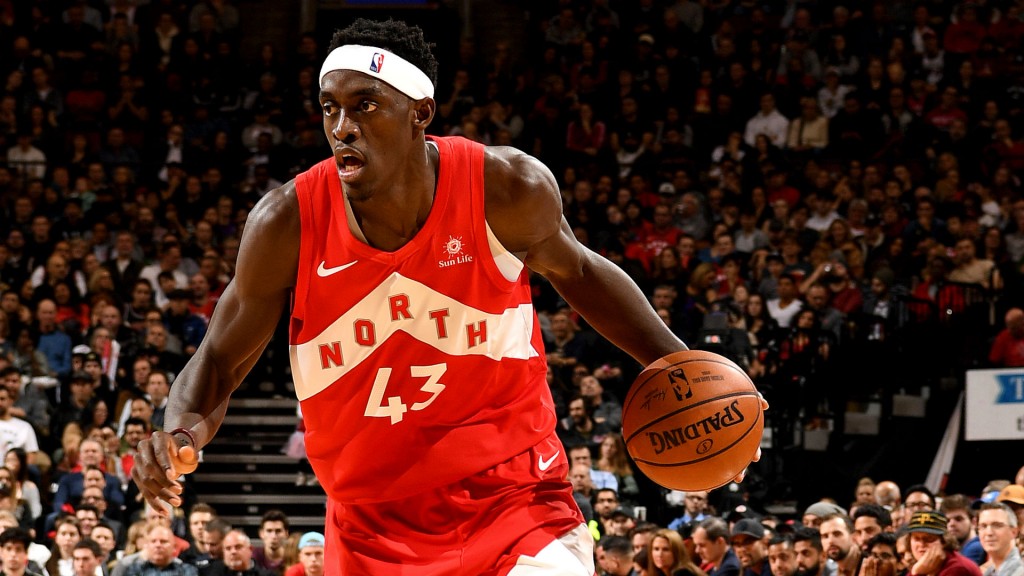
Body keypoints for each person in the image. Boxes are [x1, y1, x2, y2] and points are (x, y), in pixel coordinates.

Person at [132, 18, 763, 575]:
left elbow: (581, 274)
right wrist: (180, 431)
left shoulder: (505, 185)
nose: (343, 126)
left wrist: (690, 374)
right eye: (329, 108)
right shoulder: (285, 222)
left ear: (420, 113)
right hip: (368, 524)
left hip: (515, 500)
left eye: (365, 106)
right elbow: (217, 359)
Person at [904, 510, 981, 576]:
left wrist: (916, 573)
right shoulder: (924, 567)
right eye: (916, 538)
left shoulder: (957, 569)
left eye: (929, 539)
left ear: (944, 541)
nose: (921, 544)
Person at [976, 503, 1022, 576]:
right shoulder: (987, 572)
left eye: (997, 525)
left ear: (1014, 532)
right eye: (983, 526)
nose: (989, 532)